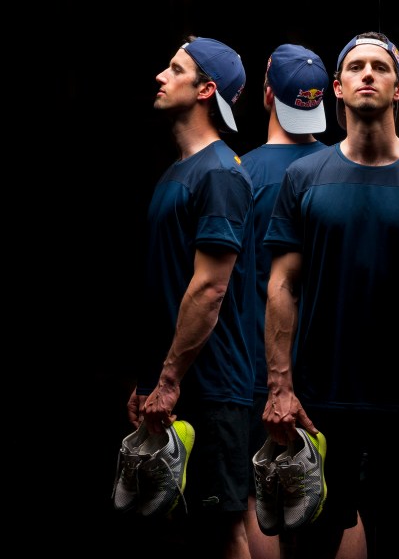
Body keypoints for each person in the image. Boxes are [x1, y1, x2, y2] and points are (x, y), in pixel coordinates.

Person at [262, 31, 399, 559]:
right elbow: (283, 284)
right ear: (337, 86)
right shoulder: (303, 177)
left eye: (379, 67)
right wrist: (280, 388)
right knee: (307, 548)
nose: (367, 74)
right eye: (355, 66)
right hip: (318, 404)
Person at [122, 35, 255, 558]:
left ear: (206, 89)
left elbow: (210, 287)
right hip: (173, 386)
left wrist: (170, 381)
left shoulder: (220, 173)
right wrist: (147, 380)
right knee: (185, 535)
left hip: (213, 389)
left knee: (222, 531)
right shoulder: (177, 172)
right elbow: (165, 283)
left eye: (174, 68)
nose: (160, 76)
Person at [239, 43, 365, 559]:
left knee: (256, 494)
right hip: (334, 362)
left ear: (267, 95)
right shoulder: (350, 167)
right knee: (344, 500)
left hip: (251, 363)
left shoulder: (237, 172)